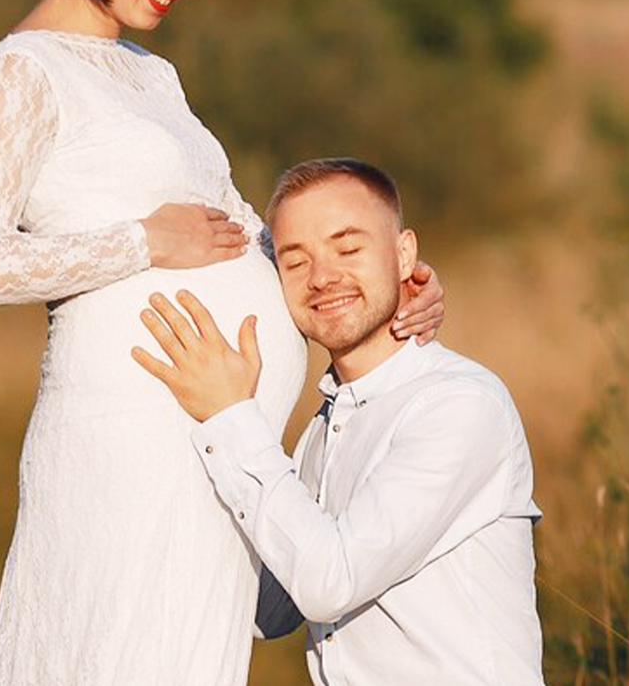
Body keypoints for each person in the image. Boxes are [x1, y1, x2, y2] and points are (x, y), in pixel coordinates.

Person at [0, 0, 445, 686]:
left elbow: (241, 237)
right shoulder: (20, 71)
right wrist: (142, 242)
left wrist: (380, 291)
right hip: (123, 446)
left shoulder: (151, 75)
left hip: (214, 439)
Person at [133, 158, 544, 685]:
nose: (323, 277)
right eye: (295, 262)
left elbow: (330, 581)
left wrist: (230, 417)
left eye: (348, 249)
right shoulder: (324, 430)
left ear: (404, 254)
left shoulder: (458, 405)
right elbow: (273, 611)